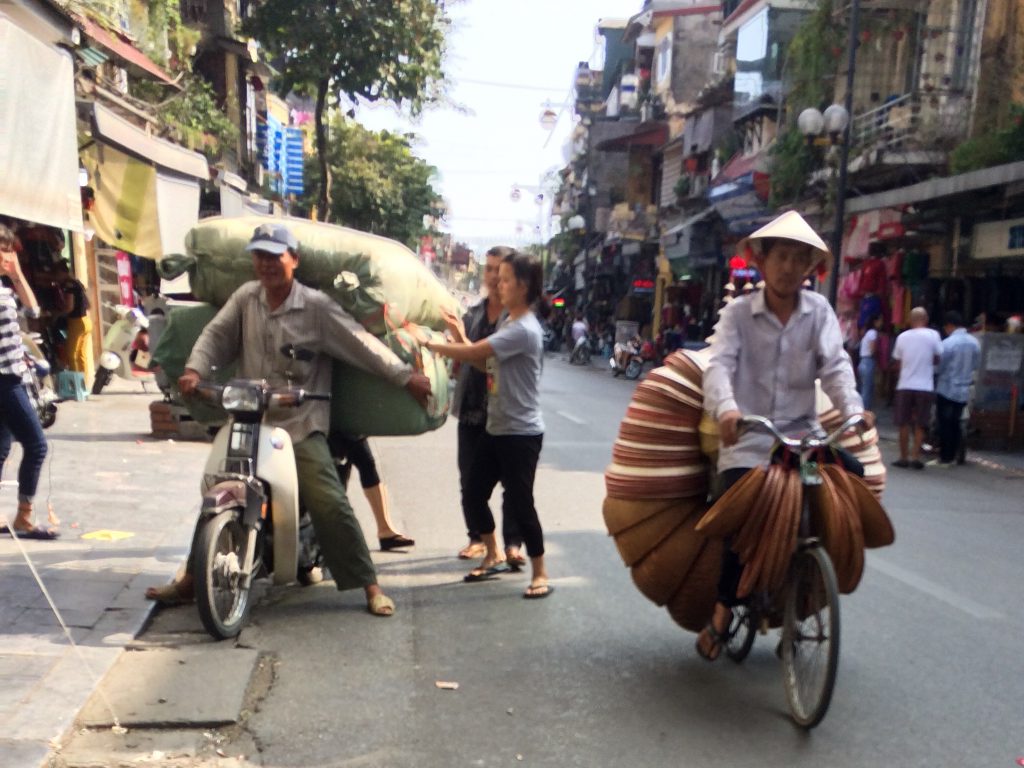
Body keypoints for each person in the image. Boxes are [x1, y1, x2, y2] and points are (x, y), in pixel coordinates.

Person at [146, 223, 432, 617]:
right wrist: (194, 371)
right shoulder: (247, 297)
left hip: (299, 422)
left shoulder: (315, 306)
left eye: (274, 256)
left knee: (329, 501)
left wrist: (406, 377)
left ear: (293, 259)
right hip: (249, 419)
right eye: (259, 256)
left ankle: (369, 586)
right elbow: (216, 335)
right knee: (218, 488)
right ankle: (192, 581)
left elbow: (360, 346)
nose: (266, 264)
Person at [699, 211, 872, 661]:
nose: (789, 267)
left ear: (810, 268)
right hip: (752, 442)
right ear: (762, 261)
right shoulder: (738, 315)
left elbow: (835, 368)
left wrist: (854, 411)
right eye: (781, 257)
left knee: (852, 483)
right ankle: (724, 606)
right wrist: (727, 408)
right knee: (739, 510)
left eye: (800, 259)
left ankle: (807, 598)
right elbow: (718, 364)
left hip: (803, 444)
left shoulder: (820, 313)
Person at [421, 250, 552, 599]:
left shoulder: (523, 329)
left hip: (520, 434)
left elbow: (476, 354)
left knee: (521, 503)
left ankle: (540, 572)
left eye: (506, 279)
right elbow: (485, 365)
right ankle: (493, 552)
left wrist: (435, 344)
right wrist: (458, 340)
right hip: (497, 429)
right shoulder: (510, 323)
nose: (498, 283)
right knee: (474, 493)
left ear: (522, 286)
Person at [451, 247, 523, 563]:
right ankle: (478, 538)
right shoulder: (473, 314)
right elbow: (460, 356)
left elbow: (490, 360)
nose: (494, 278)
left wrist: (461, 345)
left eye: (501, 272)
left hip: (506, 414)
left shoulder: (518, 319)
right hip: (471, 410)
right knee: (469, 481)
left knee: (512, 483)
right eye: (490, 270)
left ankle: (512, 544)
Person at [0, 224, 55, 539]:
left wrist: (17, 274)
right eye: (5, 250)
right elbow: (32, 310)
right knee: (36, 445)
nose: (10, 256)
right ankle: (24, 515)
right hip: (6, 380)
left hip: (11, 375)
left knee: (2, 447)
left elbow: (33, 309)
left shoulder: (5, 289)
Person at [329, 434, 415, 550]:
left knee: (365, 463)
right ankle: (384, 529)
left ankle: (385, 528)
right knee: (363, 462)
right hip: (334, 424)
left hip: (345, 424)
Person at [891, 307, 942, 470]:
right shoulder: (933, 335)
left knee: (903, 422)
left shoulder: (902, 337)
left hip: (905, 384)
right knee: (921, 422)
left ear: (910, 320)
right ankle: (915, 457)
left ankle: (903, 456)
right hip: (925, 385)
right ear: (925, 320)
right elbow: (937, 357)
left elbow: (898, 362)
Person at [930, 310, 981, 468]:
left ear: (950, 325)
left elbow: (939, 366)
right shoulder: (974, 343)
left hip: (946, 387)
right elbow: (975, 365)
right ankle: (955, 456)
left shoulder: (948, 343)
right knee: (956, 423)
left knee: (944, 423)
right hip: (963, 388)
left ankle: (945, 457)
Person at [857, 314, 883, 411]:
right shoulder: (873, 333)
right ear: (875, 322)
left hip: (863, 361)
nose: (881, 323)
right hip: (868, 361)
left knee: (864, 388)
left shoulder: (867, 333)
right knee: (867, 390)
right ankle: (864, 413)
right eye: (880, 321)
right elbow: (872, 349)